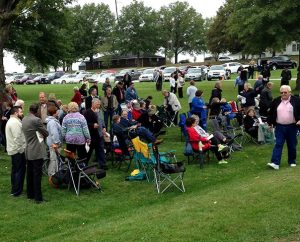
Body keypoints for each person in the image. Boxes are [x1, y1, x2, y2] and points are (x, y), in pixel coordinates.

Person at [267, 85, 300, 170]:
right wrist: (270, 123)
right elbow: (271, 113)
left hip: (292, 126)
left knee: (292, 144)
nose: (283, 94)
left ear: (290, 93)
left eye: (285, 92)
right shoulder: (276, 101)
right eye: (281, 92)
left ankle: (292, 161)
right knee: (278, 144)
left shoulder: (296, 101)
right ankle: (275, 163)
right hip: (279, 126)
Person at [22, 103, 49, 203]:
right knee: (37, 175)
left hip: (28, 149)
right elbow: (46, 133)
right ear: (37, 110)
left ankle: (30, 194)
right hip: (36, 150)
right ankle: (38, 198)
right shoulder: (36, 120)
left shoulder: (24, 119)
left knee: (29, 173)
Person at [5, 106, 26, 197]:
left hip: (14, 149)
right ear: (16, 113)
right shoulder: (14, 123)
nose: (22, 113)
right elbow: (17, 138)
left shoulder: (13, 121)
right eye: (21, 112)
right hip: (17, 150)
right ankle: (16, 191)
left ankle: (15, 189)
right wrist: (21, 150)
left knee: (15, 170)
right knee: (19, 171)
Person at [84, 98, 107, 169]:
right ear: (93, 104)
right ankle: (84, 164)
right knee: (89, 151)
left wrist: (104, 127)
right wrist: (92, 125)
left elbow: (102, 120)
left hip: (99, 134)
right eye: (97, 104)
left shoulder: (100, 111)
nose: (98, 106)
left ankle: (102, 164)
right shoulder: (87, 112)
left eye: (99, 104)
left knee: (100, 149)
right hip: (92, 135)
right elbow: (85, 124)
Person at [46, 105, 62, 177]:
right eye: (57, 111)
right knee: (54, 160)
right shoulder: (52, 122)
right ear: (54, 113)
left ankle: (55, 173)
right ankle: (52, 175)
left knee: (54, 159)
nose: (58, 112)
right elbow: (54, 134)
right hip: (54, 145)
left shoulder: (52, 121)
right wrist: (57, 143)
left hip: (53, 144)